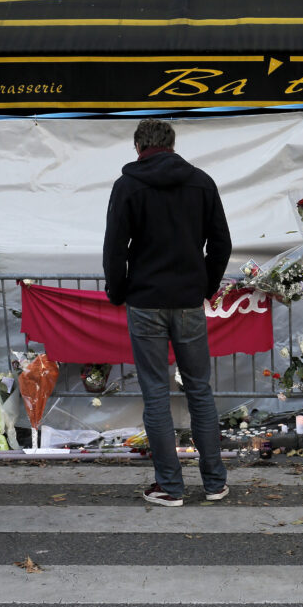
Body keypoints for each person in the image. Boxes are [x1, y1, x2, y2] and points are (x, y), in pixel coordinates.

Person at [103, 118, 232, 506]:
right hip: (189, 300)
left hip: (145, 302)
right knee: (199, 389)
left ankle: (170, 487)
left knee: (156, 394)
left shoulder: (127, 186)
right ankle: (214, 483)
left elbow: (115, 248)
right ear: (172, 144)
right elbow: (221, 244)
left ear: (138, 146)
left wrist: (118, 291)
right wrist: (205, 286)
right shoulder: (202, 182)